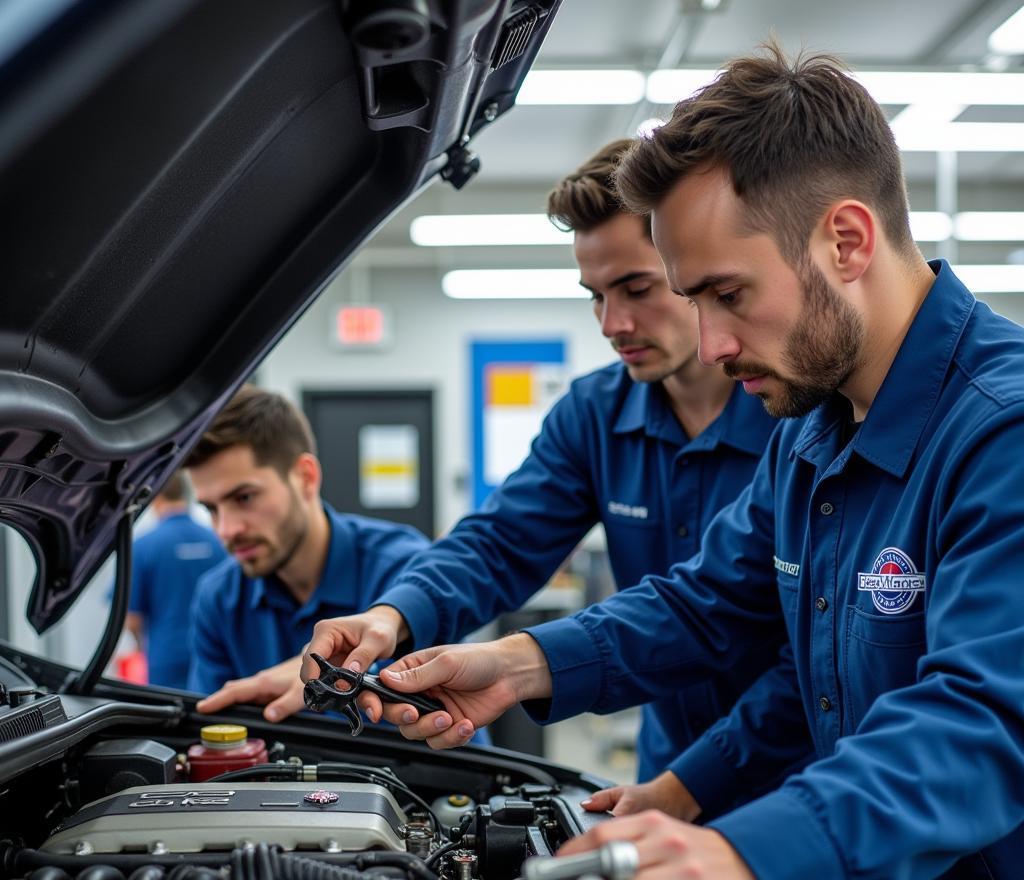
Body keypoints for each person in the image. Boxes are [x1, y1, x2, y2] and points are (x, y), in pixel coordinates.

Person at [318, 45, 1024, 880]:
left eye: (727, 294)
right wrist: (518, 666)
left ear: (847, 241)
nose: (715, 343)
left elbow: (984, 722)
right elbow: (712, 608)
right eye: (693, 301)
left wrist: (750, 848)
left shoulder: (1003, 432)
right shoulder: (812, 434)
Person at [201, 139, 785, 796]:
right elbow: (498, 543)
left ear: (689, 269)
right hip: (667, 761)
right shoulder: (593, 414)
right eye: (594, 295)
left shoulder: (792, 412)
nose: (612, 322)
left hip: (792, 764)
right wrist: (390, 620)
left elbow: (755, 627)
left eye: (637, 288)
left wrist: (690, 788)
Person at [182, 386, 430, 706]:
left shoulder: (405, 570)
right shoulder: (219, 599)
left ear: (306, 477)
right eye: (211, 509)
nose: (227, 530)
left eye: (244, 498)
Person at [122, 471, 227, 687]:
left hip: (165, 657)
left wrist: (142, 647)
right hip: (218, 654)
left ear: (155, 497)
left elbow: (131, 617)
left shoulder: (143, 546)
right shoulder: (219, 540)